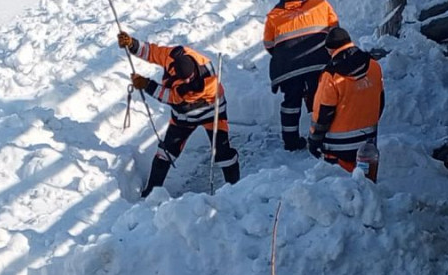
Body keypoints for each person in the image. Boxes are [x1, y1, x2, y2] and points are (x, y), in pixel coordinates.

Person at [117, 31, 240, 197]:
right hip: (183, 117)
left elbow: (172, 97)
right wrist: (132, 44)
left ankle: (235, 190)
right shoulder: (173, 55)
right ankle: (150, 194)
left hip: (212, 112)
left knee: (222, 151)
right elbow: (152, 52)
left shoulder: (205, 81)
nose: (188, 82)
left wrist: (147, 85)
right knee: (166, 152)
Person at [308, 27, 385, 177]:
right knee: (366, 187)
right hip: (368, 144)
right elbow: (381, 101)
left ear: (330, 49)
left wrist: (314, 140)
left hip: (337, 149)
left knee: (342, 189)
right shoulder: (374, 65)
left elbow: (324, 113)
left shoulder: (331, 75)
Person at [263, 0, 339, 151]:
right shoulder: (322, 5)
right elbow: (335, 32)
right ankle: (325, 136)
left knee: (291, 103)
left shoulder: (274, 14)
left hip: (288, 67)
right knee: (322, 98)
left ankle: (291, 142)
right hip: (318, 61)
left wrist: (287, 56)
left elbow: (269, 44)